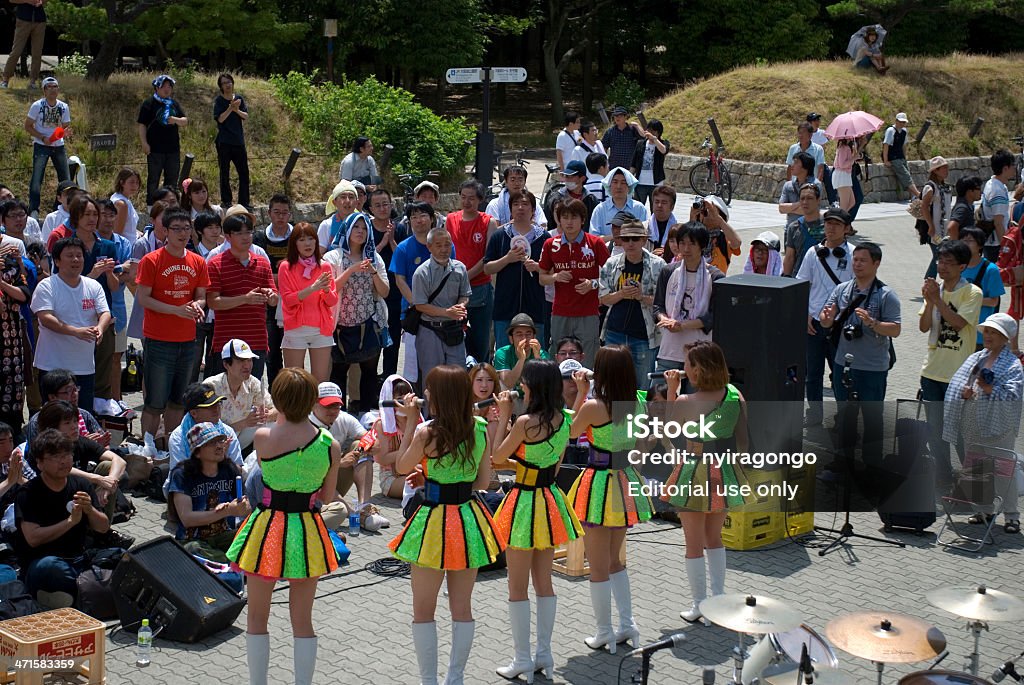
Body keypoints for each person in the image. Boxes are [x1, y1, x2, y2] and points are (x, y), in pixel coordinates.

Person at [388, 365, 504, 685]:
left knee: (423, 610)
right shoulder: (479, 427)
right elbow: (482, 480)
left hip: (434, 520)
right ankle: (456, 678)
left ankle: (429, 680)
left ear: (438, 395)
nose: (424, 395)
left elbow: (399, 466)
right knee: (462, 607)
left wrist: (411, 420)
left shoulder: (427, 431)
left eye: (428, 390)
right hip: (467, 518)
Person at [227, 368, 342, 685]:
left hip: (267, 528)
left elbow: (266, 470)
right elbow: (328, 496)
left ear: (276, 399)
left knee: (256, 617)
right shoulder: (330, 445)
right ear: (312, 402)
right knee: (302, 620)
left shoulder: (264, 438)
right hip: (307, 529)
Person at [491, 360, 584, 680]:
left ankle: (522, 660)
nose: (522, 388)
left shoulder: (526, 423)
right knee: (544, 583)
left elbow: (497, 457)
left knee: (516, 586)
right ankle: (544, 654)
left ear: (533, 387)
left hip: (523, 502)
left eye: (526, 383)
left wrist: (504, 415)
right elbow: (557, 468)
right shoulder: (566, 419)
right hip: (549, 500)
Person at [566, 345, 651, 654]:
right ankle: (627, 624)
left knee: (598, 565)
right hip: (626, 480)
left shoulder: (593, 406)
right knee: (615, 561)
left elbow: (570, 433)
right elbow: (641, 447)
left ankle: (605, 631)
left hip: (598, 484)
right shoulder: (639, 403)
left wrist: (580, 392)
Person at [662, 341, 749, 623]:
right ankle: (719, 598)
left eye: (687, 364)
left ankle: (700, 603)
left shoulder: (688, 402)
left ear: (697, 371)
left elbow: (667, 430)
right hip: (724, 470)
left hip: (695, 471)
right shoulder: (736, 395)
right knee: (715, 537)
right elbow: (743, 440)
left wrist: (673, 391)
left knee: (693, 542)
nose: (682, 368)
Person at [819, 243, 901, 472]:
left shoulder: (886, 295)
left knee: (872, 419)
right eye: (855, 260)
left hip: (873, 368)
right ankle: (842, 461)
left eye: (863, 260)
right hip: (843, 364)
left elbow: (895, 329)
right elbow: (827, 320)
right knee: (845, 417)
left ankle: (872, 466)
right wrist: (826, 319)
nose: (857, 264)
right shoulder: (842, 290)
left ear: (876, 263)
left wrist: (872, 323)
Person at [942, 313, 1022, 534]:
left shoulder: (1013, 364)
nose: (988, 336)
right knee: (976, 466)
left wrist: (989, 390)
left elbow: (1013, 395)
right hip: (972, 418)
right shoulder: (976, 357)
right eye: (987, 331)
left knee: (1003, 469)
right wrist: (965, 393)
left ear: (1005, 338)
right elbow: (960, 383)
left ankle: (1012, 515)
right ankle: (983, 510)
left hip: (998, 423)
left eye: (994, 332)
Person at [134, 207, 208, 439]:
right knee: (155, 402)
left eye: (187, 228)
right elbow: (143, 297)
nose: (183, 233)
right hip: (159, 340)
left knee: (178, 401)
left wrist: (198, 305)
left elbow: (202, 295)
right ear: (165, 230)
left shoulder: (198, 261)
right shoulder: (151, 260)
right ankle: (148, 447)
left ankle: (171, 444)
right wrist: (176, 310)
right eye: (176, 228)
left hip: (187, 340)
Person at [14, 429, 110, 609]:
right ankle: (84, 593)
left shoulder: (81, 484)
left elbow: (103, 527)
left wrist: (90, 510)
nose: (64, 460)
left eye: (67, 454)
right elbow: (33, 538)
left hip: (79, 559)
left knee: (121, 558)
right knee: (50, 567)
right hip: (42, 564)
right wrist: (70, 522)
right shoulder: (28, 493)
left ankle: (74, 595)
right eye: (56, 456)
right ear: (40, 463)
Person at [919, 240, 983, 489]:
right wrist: (930, 299)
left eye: (949, 262)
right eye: (940, 261)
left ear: (963, 266)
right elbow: (924, 326)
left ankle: (973, 484)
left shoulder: (972, 292)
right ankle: (944, 479)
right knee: (935, 433)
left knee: (960, 434)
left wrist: (936, 299)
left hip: (959, 375)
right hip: (931, 371)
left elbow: (957, 323)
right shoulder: (936, 290)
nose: (942, 267)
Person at [31, 237, 111, 414]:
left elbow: (105, 313)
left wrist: (100, 328)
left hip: (84, 366)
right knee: (54, 417)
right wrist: (76, 332)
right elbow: (45, 317)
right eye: (70, 256)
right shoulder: (47, 286)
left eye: (79, 255)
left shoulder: (93, 286)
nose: (76, 260)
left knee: (81, 416)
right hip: (53, 366)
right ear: (57, 261)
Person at [797, 208, 855, 427]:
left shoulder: (853, 254)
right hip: (813, 324)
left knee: (840, 373)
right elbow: (802, 284)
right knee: (812, 374)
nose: (830, 228)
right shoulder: (813, 253)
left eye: (837, 224)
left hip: (840, 325)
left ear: (847, 229)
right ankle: (814, 414)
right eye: (828, 223)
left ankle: (844, 415)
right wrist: (805, 316)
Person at [324, 213, 389, 409]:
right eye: (356, 227)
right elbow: (328, 290)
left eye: (364, 228)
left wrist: (373, 272)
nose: (360, 231)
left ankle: (366, 414)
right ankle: (338, 415)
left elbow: (385, 291)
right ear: (347, 229)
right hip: (340, 325)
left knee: (369, 373)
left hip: (368, 323)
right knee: (338, 373)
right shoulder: (332, 257)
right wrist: (351, 270)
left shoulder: (374, 258)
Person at [310, 382, 389, 531]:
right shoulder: (305, 425)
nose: (333, 411)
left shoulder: (344, 418)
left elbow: (370, 436)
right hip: (310, 484)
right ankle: (354, 515)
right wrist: (338, 462)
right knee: (318, 474)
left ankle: (363, 508)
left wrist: (373, 444)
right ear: (314, 404)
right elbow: (307, 467)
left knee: (360, 445)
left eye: (337, 406)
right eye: (328, 406)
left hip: (332, 482)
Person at [207, 212, 278, 378]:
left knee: (252, 392)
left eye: (249, 232)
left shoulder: (262, 262)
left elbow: (274, 300)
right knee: (224, 394)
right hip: (227, 342)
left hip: (257, 340)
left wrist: (270, 295)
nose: (246, 237)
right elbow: (213, 302)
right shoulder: (216, 264)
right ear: (227, 237)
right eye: (239, 233)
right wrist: (245, 299)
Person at [539, 199, 610, 363]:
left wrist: (592, 284)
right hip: (559, 312)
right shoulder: (550, 244)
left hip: (588, 312)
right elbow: (542, 278)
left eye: (574, 217)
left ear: (583, 219)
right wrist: (555, 277)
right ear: (559, 219)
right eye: (565, 217)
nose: (569, 222)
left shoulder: (595, 243)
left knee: (588, 359)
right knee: (558, 358)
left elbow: (611, 276)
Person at [167, 422, 248, 562]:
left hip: (224, 535)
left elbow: (247, 505)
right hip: (192, 539)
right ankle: (231, 564)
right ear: (197, 452)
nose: (219, 446)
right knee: (192, 549)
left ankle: (228, 564)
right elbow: (187, 518)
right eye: (211, 443)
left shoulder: (229, 469)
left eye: (220, 441)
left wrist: (243, 507)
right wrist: (227, 511)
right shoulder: (182, 474)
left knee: (252, 538)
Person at [653, 222, 726, 377]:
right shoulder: (668, 271)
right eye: (682, 243)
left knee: (696, 400)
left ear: (702, 246)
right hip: (670, 349)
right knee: (660, 397)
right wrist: (665, 320)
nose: (686, 249)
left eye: (692, 244)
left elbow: (715, 316)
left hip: (700, 352)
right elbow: (657, 306)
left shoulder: (715, 277)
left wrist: (683, 325)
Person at [599, 220, 665, 387]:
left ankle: (640, 414)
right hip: (614, 332)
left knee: (642, 387)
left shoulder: (658, 265)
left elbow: (664, 303)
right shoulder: (611, 264)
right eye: (626, 239)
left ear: (644, 240)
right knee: (612, 383)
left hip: (643, 335)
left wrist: (641, 296)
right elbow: (603, 298)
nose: (630, 243)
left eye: (635, 239)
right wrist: (622, 293)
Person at [486, 190, 550, 346]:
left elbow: (552, 272)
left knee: (535, 357)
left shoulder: (545, 238)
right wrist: (507, 259)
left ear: (533, 210)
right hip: (505, 307)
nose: (520, 208)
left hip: (536, 307)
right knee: (504, 355)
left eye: (525, 204)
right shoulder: (499, 235)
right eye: (516, 204)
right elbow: (487, 268)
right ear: (510, 209)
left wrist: (537, 267)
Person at [278, 221, 337, 382]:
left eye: (311, 239)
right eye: (302, 239)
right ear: (294, 243)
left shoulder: (324, 266)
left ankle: (318, 408)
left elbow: (332, 300)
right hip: (295, 329)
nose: (308, 243)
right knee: (295, 382)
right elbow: (288, 300)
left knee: (320, 381)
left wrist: (325, 290)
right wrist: (313, 288)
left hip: (321, 329)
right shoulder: (286, 267)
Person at [412, 228, 471, 375]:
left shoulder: (460, 268)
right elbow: (420, 305)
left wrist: (460, 306)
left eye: (447, 244)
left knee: (458, 376)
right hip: (429, 330)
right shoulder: (421, 272)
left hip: (454, 328)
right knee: (432, 377)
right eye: (438, 245)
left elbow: (465, 294)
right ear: (429, 247)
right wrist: (447, 312)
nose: (444, 249)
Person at [206, 339, 277, 453]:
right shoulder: (211, 387)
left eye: (249, 360)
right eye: (240, 361)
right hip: (214, 443)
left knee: (271, 424)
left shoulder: (252, 383)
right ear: (226, 364)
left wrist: (265, 415)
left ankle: (259, 465)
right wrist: (244, 423)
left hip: (240, 439)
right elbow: (205, 430)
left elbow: (277, 410)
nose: (247, 365)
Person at [253, 194, 294, 384]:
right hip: (269, 303)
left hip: (294, 301)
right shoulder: (259, 237)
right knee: (272, 352)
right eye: (276, 212)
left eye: (284, 213)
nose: (280, 217)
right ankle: (274, 392)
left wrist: (279, 276)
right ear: (269, 213)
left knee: (295, 352)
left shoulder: (297, 236)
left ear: (290, 215)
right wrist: (283, 275)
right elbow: (262, 274)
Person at [367, 189, 406, 378]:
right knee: (373, 340)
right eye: (378, 205)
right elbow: (365, 258)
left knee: (393, 339)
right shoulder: (365, 228)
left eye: (386, 204)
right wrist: (382, 242)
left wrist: (391, 242)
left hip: (395, 291)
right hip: (372, 291)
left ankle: (389, 378)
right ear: (371, 208)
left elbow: (404, 257)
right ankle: (371, 381)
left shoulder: (399, 228)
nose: (382, 208)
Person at [24, 77, 72, 217]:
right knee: (37, 177)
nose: (52, 89)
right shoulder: (37, 106)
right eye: (49, 87)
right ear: (44, 90)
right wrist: (42, 137)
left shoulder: (64, 106)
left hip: (58, 145)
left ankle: (62, 208)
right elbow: (28, 126)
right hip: (41, 145)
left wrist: (64, 133)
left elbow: (65, 125)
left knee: (65, 178)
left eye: (55, 86)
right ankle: (34, 209)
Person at [137, 75, 188, 204]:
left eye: (169, 86)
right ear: (156, 88)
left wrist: (175, 120)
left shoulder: (174, 103)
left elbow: (185, 121)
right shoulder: (149, 103)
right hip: (155, 148)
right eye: (163, 86)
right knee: (153, 179)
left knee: (172, 180)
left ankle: (169, 205)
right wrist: (144, 143)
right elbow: (142, 124)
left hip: (172, 149)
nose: (167, 89)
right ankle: (151, 206)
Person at [368, 375, 416, 499]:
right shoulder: (381, 424)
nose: (405, 403)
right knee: (419, 486)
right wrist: (411, 450)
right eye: (400, 399)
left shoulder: (416, 418)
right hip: (391, 476)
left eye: (407, 398)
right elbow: (383, 459)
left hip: (415, 471)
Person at [959, 227, 1006, 350]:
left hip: (979, 333)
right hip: (957, 329)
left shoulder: (991, 269)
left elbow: (993, 301)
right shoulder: (956, 266)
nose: (965, 244)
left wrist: (968, 300)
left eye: (969, 240)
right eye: (962, 240)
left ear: (980, 245)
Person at [0, 235, 28, 438]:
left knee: (12, 385)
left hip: (10, 338)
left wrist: (1, 283)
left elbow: (24, 294)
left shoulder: (10, 263)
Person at [213, 73, 250, 208]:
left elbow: (245, 116)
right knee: (225, 172)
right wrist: (230, 108)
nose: (227, 85)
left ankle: (244, 202)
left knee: (244, 172)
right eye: (224, 83)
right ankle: (226, 201)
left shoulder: (239, 99)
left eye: (229, 82)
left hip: (238, 141)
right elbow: (220, 119)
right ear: (221, 86)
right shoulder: (219, 101)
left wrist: (236, 109)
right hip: (224, 142)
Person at [493, 314, 549, 392]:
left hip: (533, 397)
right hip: (512, 397)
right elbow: (508, 383)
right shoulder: (503, 353)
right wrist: (521, 359)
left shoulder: (542, 354)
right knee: (502, 385)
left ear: (534, 337)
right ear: (511, 338)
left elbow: (546, 383)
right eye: (519, 334)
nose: (524, 339)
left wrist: (537, 358)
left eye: (528, 334)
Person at [589, 168, 648, 239]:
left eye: (623, 182)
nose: (619, 186)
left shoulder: (639, 208)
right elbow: (594, 238)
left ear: (629, 186)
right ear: (609, 185)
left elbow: (644, 235)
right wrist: (616, 238)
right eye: (615, 182)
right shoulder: (600, 209)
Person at [0, 0, 47, 89]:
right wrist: (28, 1)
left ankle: (33, 81)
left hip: (40, 20)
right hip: (23, 19)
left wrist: (41, 2)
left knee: (37, 53)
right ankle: (5, 80)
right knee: (16, 51)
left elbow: (45, 2)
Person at [980, 149, 1016, 262]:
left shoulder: (993, 183)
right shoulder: (997, 191)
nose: (1015, 168)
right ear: (1005, 168)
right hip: (995, 245)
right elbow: (998, 223)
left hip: (993, 243)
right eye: (1013, 165)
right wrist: (1005, 247)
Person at [783, 183, 826, 276]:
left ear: (818, 200)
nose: (805, 202)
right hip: (800, 279)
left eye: (809, 198)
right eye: (802, 198)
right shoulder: (794, 227)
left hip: (823, 278)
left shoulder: (829, 225)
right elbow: (789, 257)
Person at [920, 156, 952, 278]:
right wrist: (931, 226)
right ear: (936, 171)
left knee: (940, 254)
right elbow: (924, 207)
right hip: (935, 230)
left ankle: (930, 280)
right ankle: (929, 280)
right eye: (943, 168)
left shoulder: (946, 186)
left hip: (945, 228)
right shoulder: (930, 187)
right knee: (938, 254)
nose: (946, 170)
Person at [543, 161, 598, 230]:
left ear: (582, 178)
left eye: (571, 177)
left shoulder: (591, 200)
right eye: (566, 176)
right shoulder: (556, 198)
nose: (567, 179)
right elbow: (549, 223)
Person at [630, 120, 669, 208]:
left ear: (658, 132)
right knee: (637, 208)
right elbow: (634, 164)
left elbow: (663, 150)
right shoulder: (640, 144)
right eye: (649, 130)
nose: (650, 133)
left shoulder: (663, 143)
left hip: (656, 183)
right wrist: (629, 178)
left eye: (653, 131)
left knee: (656, 209)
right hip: (640, 182)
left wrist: (655, 139)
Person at [778, 153, 824, 226]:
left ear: (805, 166)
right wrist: (799, 203)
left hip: (809, 229)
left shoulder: (815, 185)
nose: (792, 166)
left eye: (796, 163)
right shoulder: (788, 185)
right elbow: (781, 208)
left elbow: (811, 209)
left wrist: (790, 209)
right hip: (790, 228)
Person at [882, 113, 920, 200]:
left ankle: (913, 195)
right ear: (896, 121)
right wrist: (886, 160)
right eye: (900, 121)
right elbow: (886, 145)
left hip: (901, 157)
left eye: (904, 122)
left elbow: (904, 145)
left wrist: (904, 157)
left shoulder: (904, 131)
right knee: (905, 175)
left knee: (908, 174)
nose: (902, 124)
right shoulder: (891, 130)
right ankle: (918, 194)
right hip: (893, 157)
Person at [317, 180, 359, 251]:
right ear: (334, 202)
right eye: (343, 197)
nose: (347, 201)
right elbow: (319, 255)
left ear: (357, 202)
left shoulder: (364, 225)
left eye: (351, 197)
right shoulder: (327, 225)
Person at [601, 106, 645, 172]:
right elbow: (603, 148)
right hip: (614, 167)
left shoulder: (633, 130)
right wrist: (605, 164)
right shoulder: (610, 131)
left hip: (630, 168)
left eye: (620, 115)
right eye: (615, 116)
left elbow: (644, 137)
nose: (617, 118)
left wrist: (637, 125)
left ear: (625, 117)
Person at [946, 175, 982, 242]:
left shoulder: (969, 205)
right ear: (969, 191)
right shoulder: (962, 207)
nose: (981, 192)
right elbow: (951, 227)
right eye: (978, 189)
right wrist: (957, 247)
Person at [646, 185, 678, 257]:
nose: (659, 205)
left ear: (672, 206)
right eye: (656, 202)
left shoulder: (679, 231)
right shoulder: (643, 228)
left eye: (664, 202)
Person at [833, 139, 858, 212]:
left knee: (851, 202)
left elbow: (848, 162)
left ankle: (841, 219)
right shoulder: (844, 148)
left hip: (845, 176)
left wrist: (854, 156)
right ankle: (839, 220)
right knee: (844, 205)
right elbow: (842, 164)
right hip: (842, 176)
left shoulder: (845, 147)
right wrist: (853, 158)